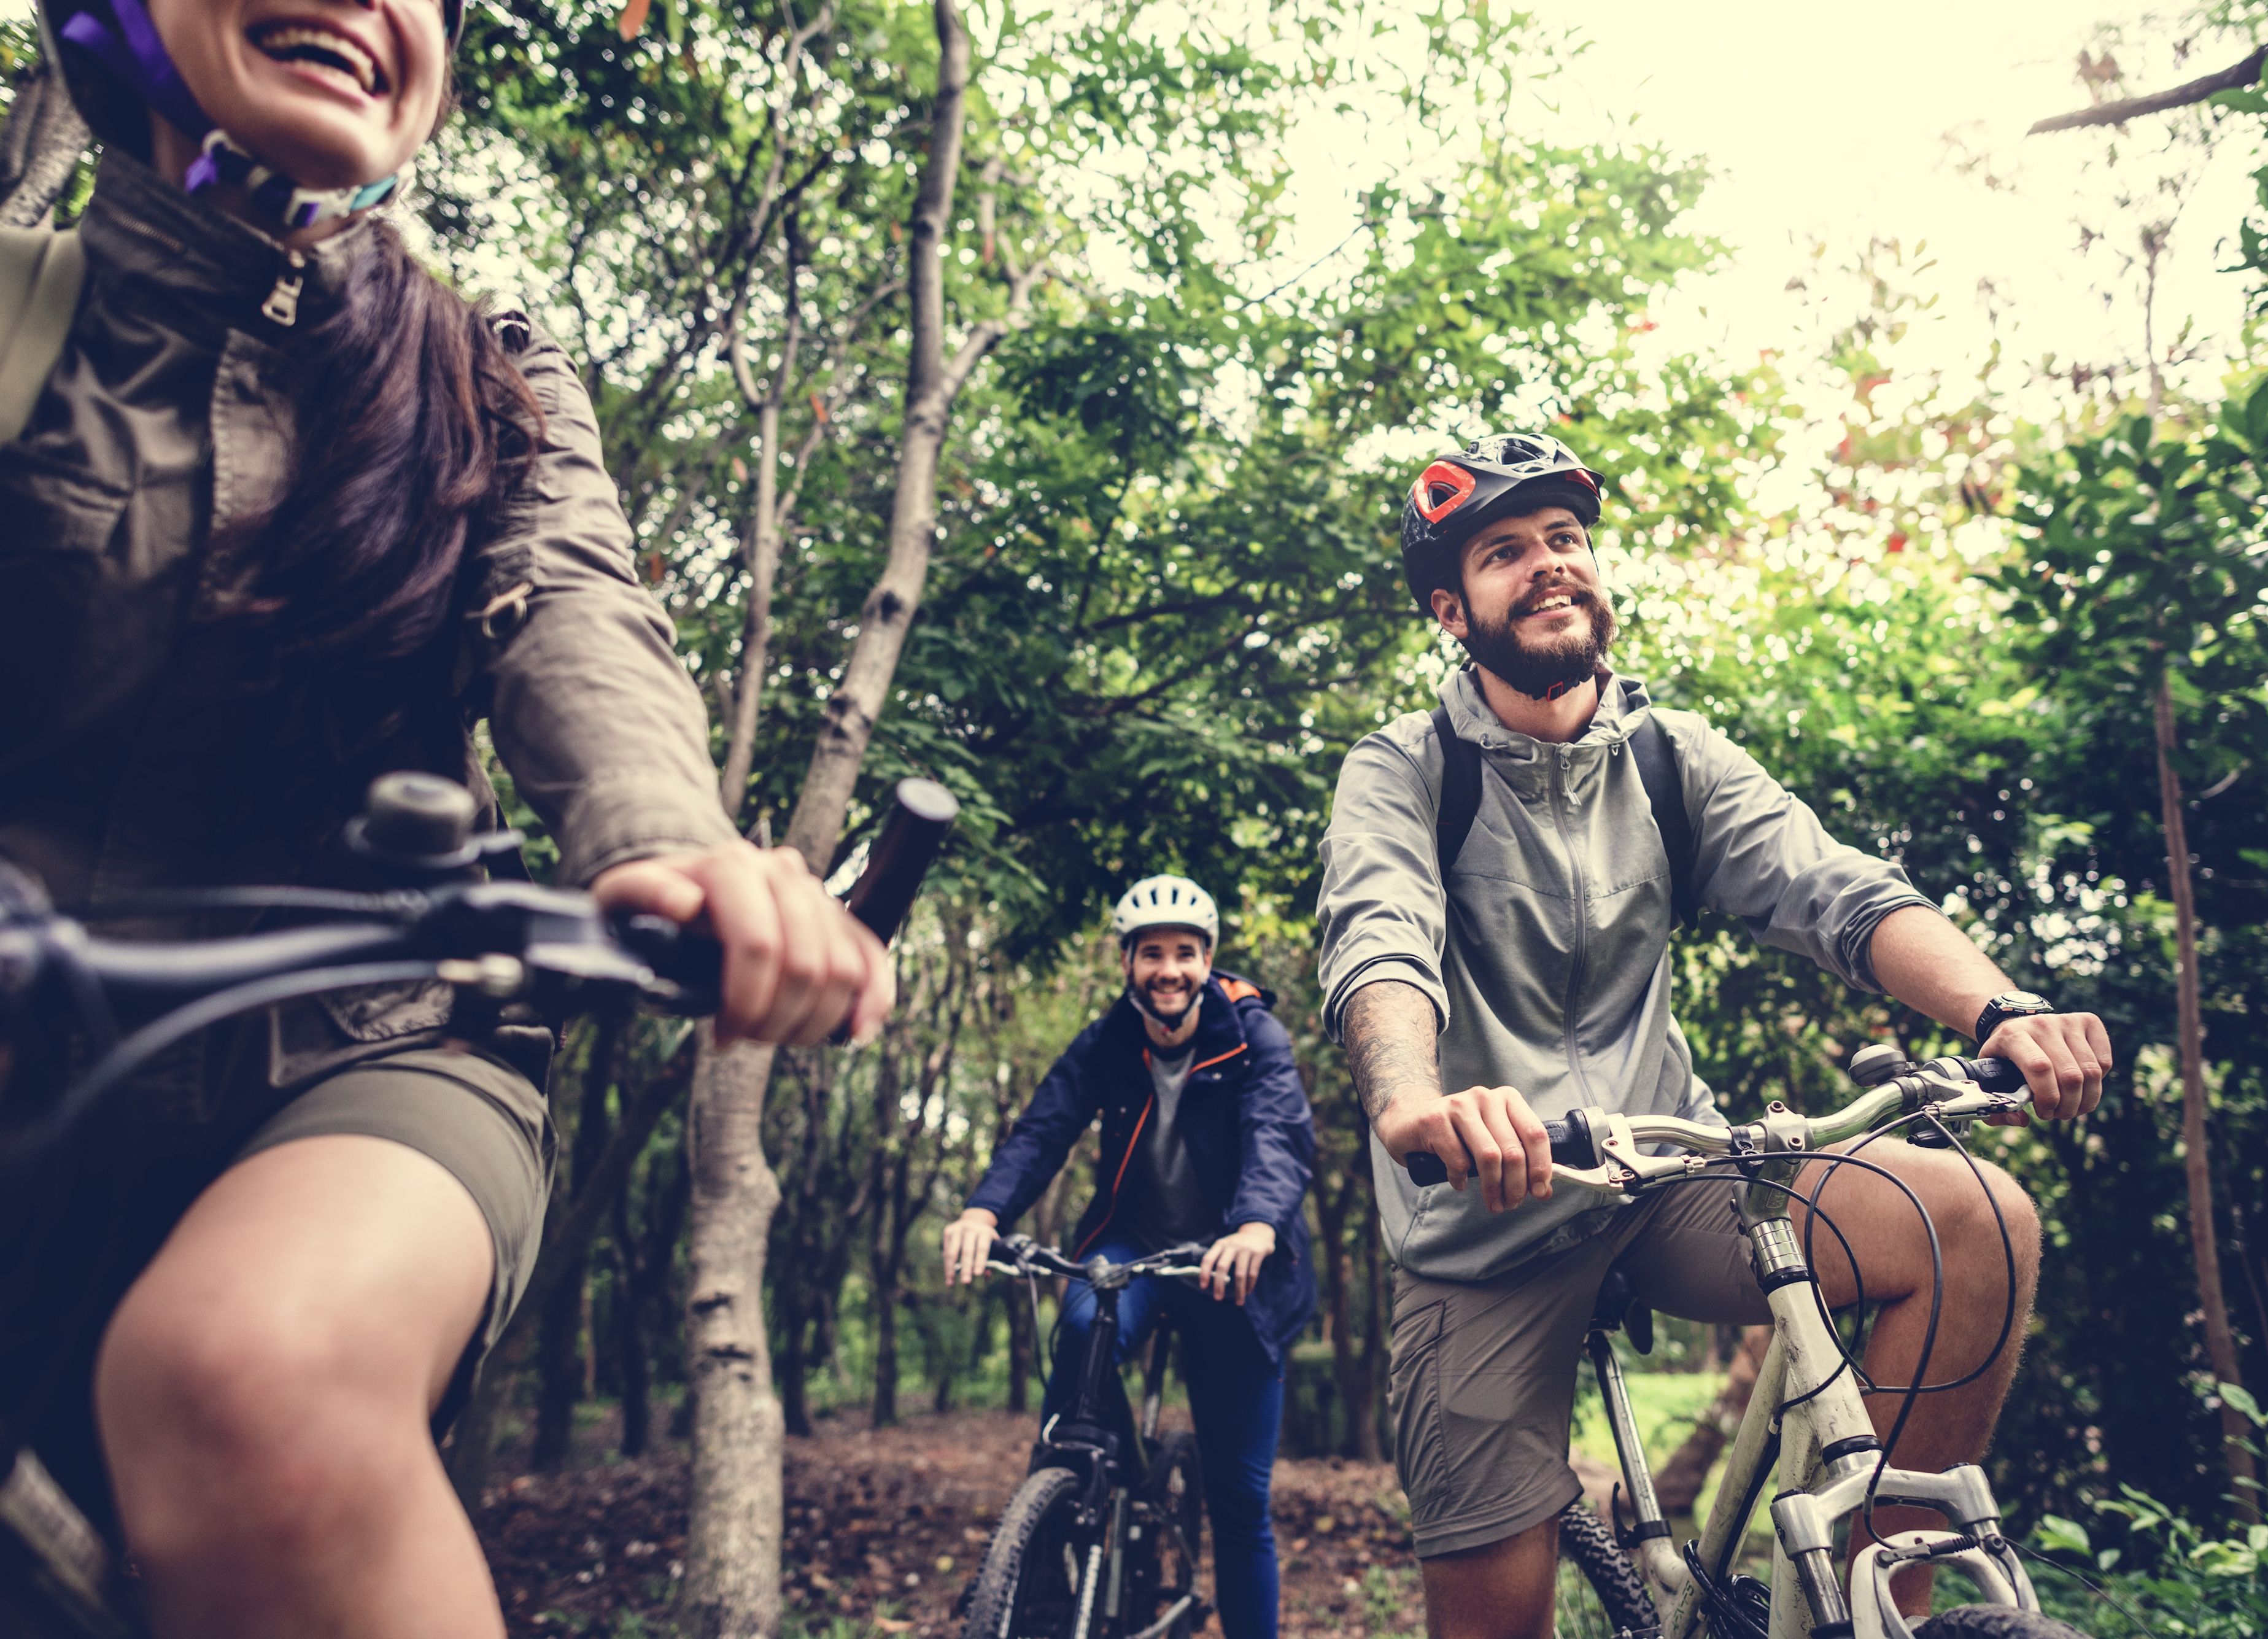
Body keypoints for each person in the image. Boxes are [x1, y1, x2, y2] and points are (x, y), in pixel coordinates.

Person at [0, 1, 893, 1635]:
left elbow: (569, 610)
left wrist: (666, 842)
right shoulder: (19, 314)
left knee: (248, 1376)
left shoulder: (483, 375)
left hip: (369, 1050)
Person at [1313, 432, 2115, 1639]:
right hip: (1483, 1218)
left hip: (1664, 1176)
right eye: (1501, 552)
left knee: (1979, 1220)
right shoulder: (1403, 774)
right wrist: (1410, 1102)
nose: (1546, 565)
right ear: (1448, 608)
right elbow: (1381, 944)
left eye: (1564, 540)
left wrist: (1998, 1007)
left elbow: (1837, 891)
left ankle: (1881, 1602)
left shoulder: (1667, 758)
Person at [943, 876, 1317, 1639]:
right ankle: (1054, 1540)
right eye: (1152, 954)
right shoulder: (1110, 1040)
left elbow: (1278, 1134)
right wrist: (983, 1211)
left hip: (1229, 1263)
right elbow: (1043, 1128)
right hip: (1134, 1245)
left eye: (1185, 953)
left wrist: (1252, 1227)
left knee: (1239, 1500)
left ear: (1208, 961)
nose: (1168, 969)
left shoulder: (1253, 1036)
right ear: (1127, 964)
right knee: (1080, 1333)